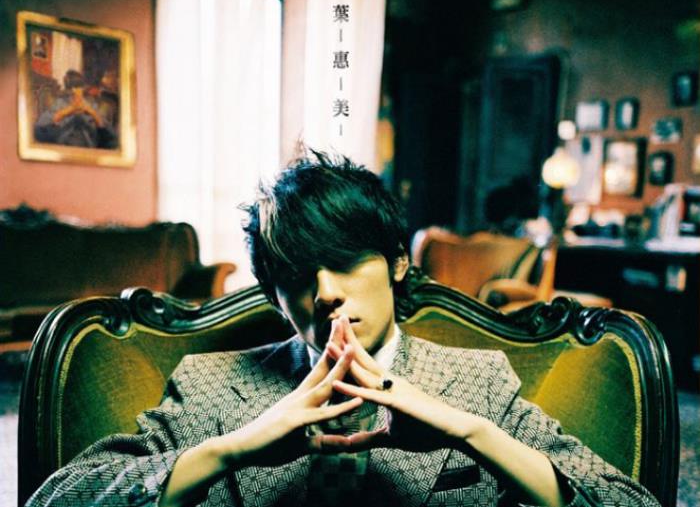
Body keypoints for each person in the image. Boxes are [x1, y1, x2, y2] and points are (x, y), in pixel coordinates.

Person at [27, 152, 660, 507]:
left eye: (347, 260)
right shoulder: (208, 384)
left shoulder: (480, 382)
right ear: (274, 296)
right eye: (298, 273)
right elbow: (55, 500)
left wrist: (472, 433)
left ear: (398, 263)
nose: (326, 290)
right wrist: (231, 449)